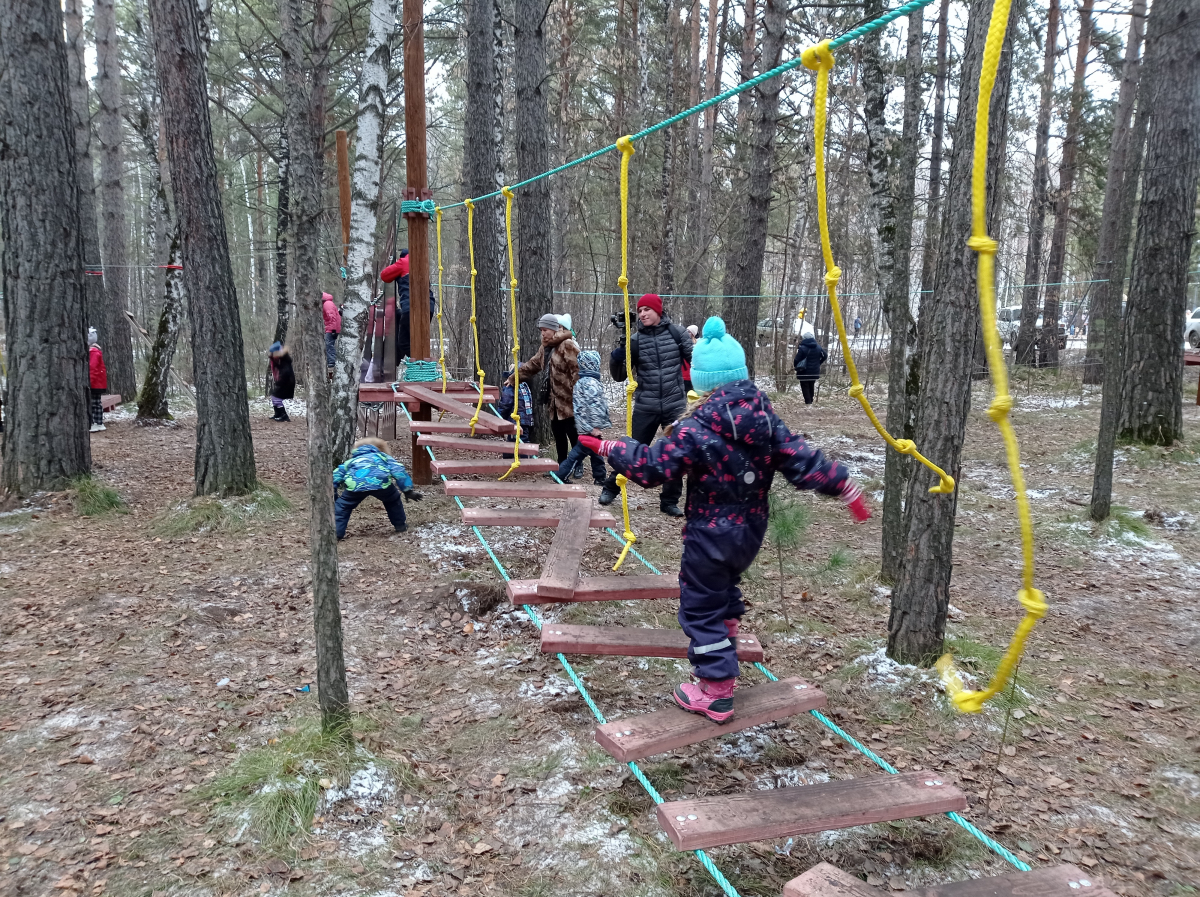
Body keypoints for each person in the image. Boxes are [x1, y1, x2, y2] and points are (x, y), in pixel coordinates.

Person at [579, 316, 869, 723]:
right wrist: (843, 486)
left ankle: (715, 690)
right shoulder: (766, 418)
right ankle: (726, 630)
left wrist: (611, 446)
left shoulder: (695, 427)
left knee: (699, 608)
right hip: (749, 532)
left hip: (709, 534)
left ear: (701, 381)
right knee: (723, 589)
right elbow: (803, 460)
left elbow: (653, 466)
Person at [599, 293, 693, 517]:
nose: (642, 314)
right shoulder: (635, 340)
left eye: (646, 310)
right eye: (639, 311)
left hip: (674, 404)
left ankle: (669, 501)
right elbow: (620, 375)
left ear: (658, 311)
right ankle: (611, 488)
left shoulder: (677, 333)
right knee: (631, 450)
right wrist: (618, 354)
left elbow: (695, 362)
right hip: (646, 405)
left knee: (675, 453)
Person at [508, 313, 580, 465]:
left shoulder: (567, 345)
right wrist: (513, 378)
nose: (543, 333)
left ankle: (577, 465)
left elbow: (577, 371)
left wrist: (579, 396)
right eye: (541, 330)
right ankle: (562, 467)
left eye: (546, 329)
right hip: (554, 403)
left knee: (573, 435)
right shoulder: (545, 349)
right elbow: (532, 365)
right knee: (559, 437)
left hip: (569, 401)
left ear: (555, 329)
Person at [332, 437, 423, 539]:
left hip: (356, 484)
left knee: (343, 507)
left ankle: (337, 533)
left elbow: (336, 475)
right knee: (393, 500)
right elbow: (399, 470)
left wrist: (334, 494)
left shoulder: (352, 461)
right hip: (381, 483)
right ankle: (400, 525)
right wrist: (408, 490)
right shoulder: (383, 456)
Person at [554, 350, 611, 484]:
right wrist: (595, 426)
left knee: (596, 450)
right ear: (594, 365)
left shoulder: (581, 382)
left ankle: (600, 477)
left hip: (583, 424)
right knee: (578, 453)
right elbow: (594, 406)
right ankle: (561, 475)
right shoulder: (591, 384)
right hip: (590, 427)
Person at [380, 250, 436, 361]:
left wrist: (394, 266)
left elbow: (384, 276)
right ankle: (426, 363)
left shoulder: (403, 262)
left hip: (411, 307)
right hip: (429, 306)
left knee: (404, 342)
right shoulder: (422, 263)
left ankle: (420, 365)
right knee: (419, 339)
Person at [497, 366, 535, 445]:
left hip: (515, 421)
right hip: (526, 421)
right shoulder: (525, 386)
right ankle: (525, 454)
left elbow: (505, 404)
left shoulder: (510, 386)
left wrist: (499, 418)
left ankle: (510, 457)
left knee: (512, 443)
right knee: (524, 440)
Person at [792, 323, 827, 405]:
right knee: (811, 386)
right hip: (814, 371)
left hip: (803, 371)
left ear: (804, 339)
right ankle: (810, 401)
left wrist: (797, 366)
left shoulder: (802, 348)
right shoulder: (818, 347)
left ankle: (808, 403)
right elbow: (825, 355)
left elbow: (796, 359)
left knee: (805, 387)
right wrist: (819, 363)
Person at [268, 342, 295, 422]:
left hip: (287, 382)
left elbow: (285, 373)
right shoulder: (281, 360)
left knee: (276, 397)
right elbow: (277, 366)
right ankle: (278, 413)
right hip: (285, 382)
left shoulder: (285, 360)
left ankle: (284, 415)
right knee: (274, 397)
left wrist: (280, 382)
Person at [88, 327, 107, 433]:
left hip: (96, 383)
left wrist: (90, 381)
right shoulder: (94, 351)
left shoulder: (93, 352)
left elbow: (93, 368)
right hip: (97, 382)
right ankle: (96, 422)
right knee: (95, 402)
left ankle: (98, 423)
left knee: (95, 403)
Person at [322, 292, 342, 376]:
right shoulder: (328, 303)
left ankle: (331, 363)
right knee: (329, 345)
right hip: (331, 328)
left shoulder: (327, 304)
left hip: (331, 328)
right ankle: (331, 362)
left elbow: (332, 317)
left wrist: (333, 330)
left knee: (329, 345)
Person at [682, 324, 699, 393]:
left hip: (692, 373)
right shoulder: (682, 342)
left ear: (693, 334)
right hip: (683, 372)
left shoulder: (698, 344)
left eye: (689, 331)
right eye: (686, 331)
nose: (687, 333)